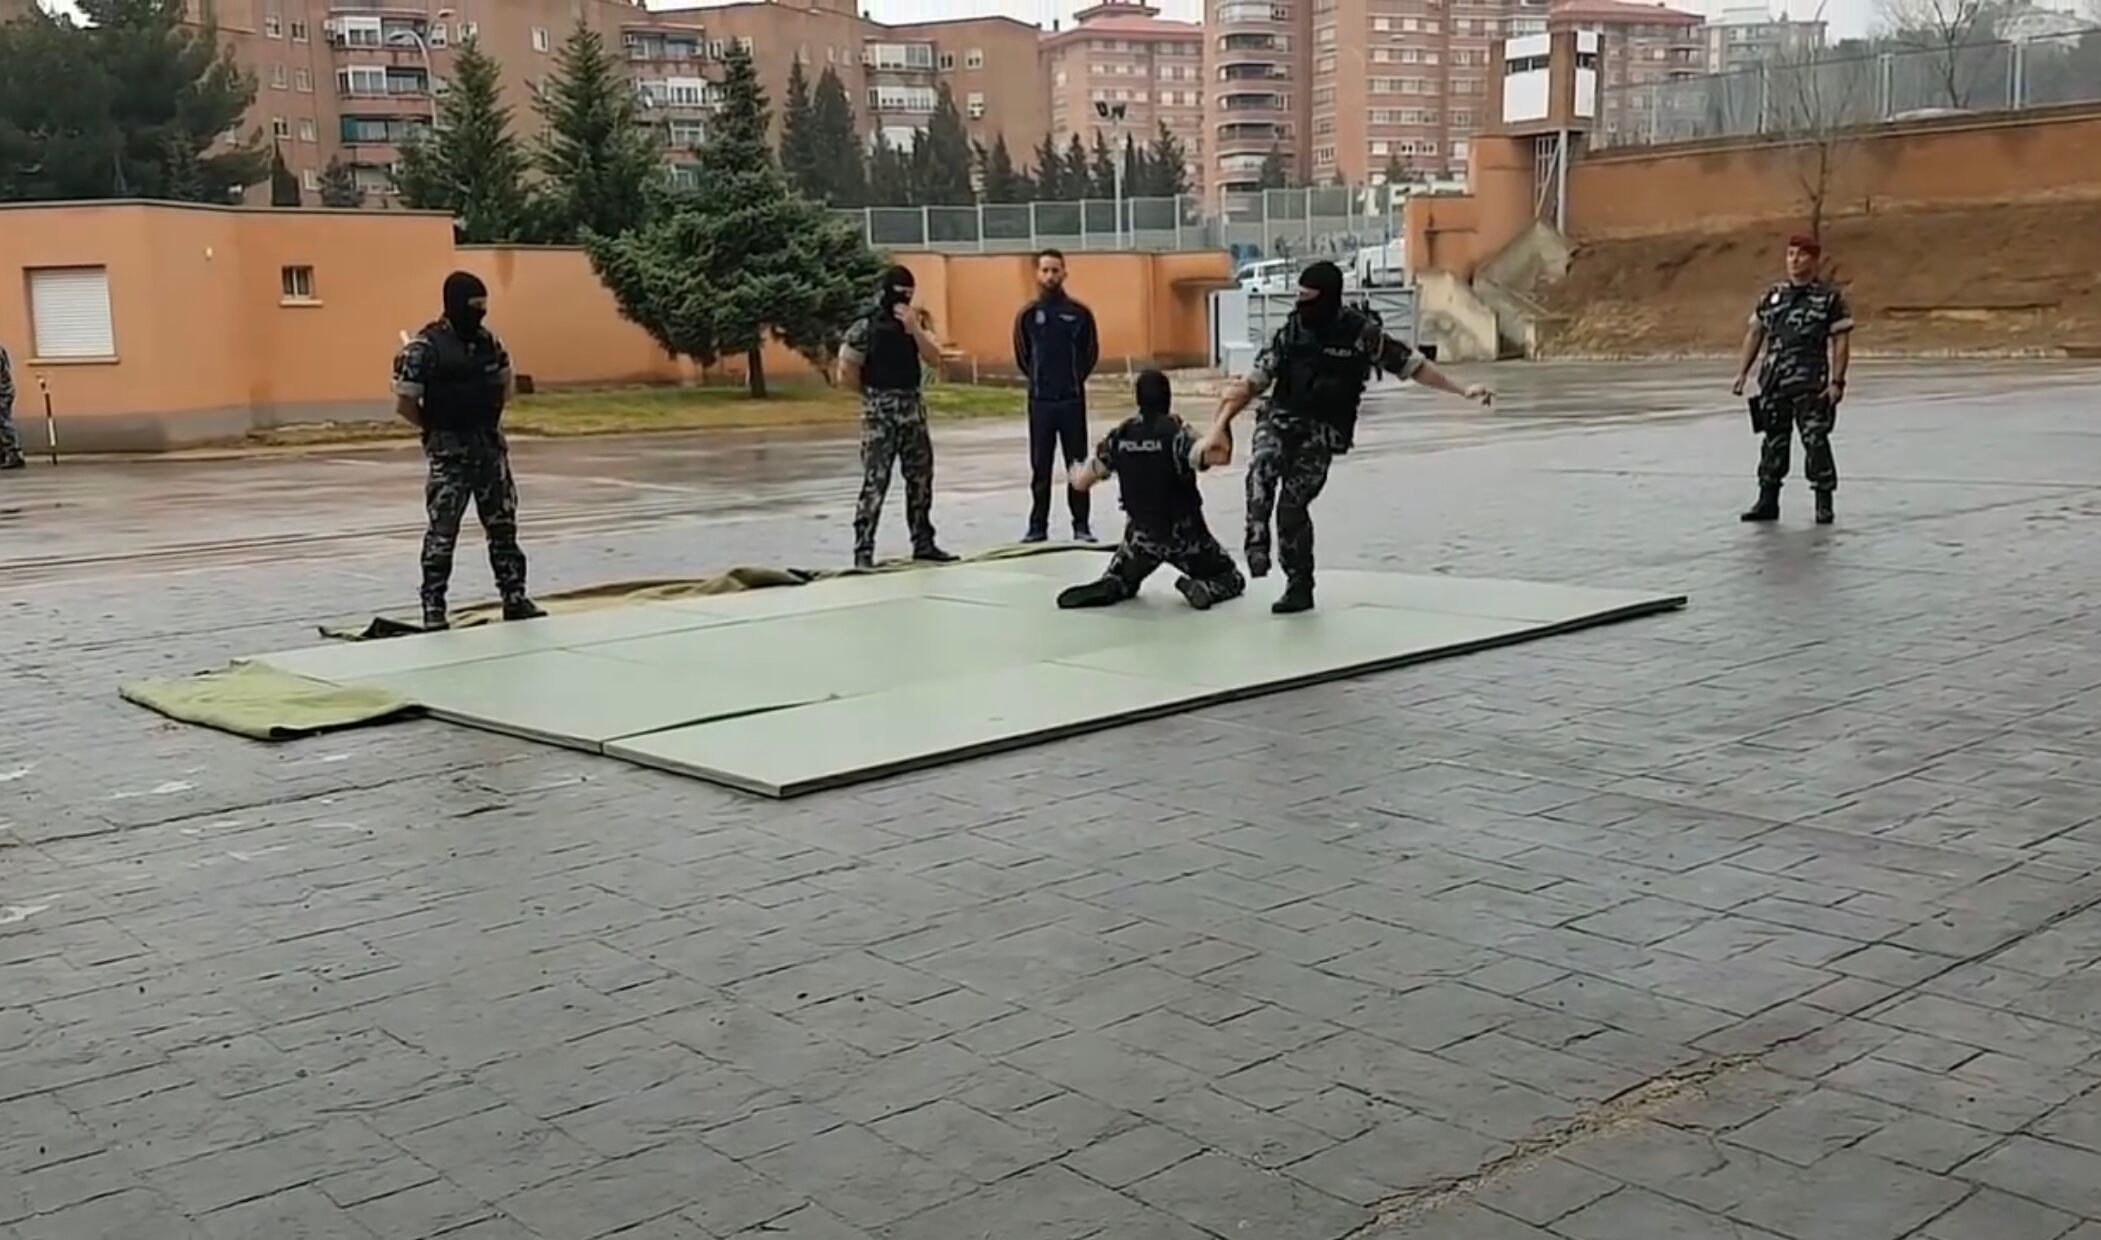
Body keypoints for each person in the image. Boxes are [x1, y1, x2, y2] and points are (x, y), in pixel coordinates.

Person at [1192, 260, 1493, 614]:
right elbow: (1252, 384)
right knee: (1262, 468)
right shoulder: (1291, 331)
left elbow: (1414, 366)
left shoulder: (1360, 334)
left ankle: (1299, 586)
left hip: (1323, 430)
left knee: (1292, 507)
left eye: (1310, 298)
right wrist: (1218, 426)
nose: (1302, 305)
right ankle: (1256, 539)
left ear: (1329, 299)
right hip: (1280, 419)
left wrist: (1462, 391)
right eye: (1299, 298)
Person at [391, 271, 543, 630]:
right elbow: (406, 404)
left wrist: (486, 417)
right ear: (455, 303)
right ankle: (434, 608)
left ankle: (514, 597)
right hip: (450, 456)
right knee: (443, 533)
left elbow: (506, 385)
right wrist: (435, 429)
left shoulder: (489, 342)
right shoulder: (424, 349)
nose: (480, 312)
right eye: (474, 305)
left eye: (483, 306)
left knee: (503, 528)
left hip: (489, 450)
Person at [1058, 370, 1244, 611]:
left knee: (1123, 576)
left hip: (1141, 538)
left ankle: (1116, 582)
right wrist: (1225, 415)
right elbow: (1220, 455)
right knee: (1230, 577)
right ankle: (1205, 588)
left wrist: (1075, 473)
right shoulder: (1178, 435)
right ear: (1168, 397)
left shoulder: (1120, 437)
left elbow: (1082, 482)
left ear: (1138, 399)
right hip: (1185, 537)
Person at [839, 266, 956, 570]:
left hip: (912, 411)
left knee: (920, 479)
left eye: (909, 292)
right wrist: (873, 399)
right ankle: (863, 549)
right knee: (875, 482)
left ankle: (923, 542)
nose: (904, 297)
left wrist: (914, 329)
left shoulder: (913, 324)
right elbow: (847, 371)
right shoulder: (864, 327)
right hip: (879, 414)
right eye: (899, 291)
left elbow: (934, 357)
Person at [1732, 233, 1853, 525]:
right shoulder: (1773, 295)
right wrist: (1742, 372)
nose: (1793, 260)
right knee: (1773, 442)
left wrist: (1837, 382)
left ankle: (1823, 502)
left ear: (1813, 259)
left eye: (1800, 255)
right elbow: (1755, 333)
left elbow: (1841, 341)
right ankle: (1767, 500)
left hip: (1811, 382)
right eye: (1789, 254)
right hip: (1774, 382)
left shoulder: (1828, 298)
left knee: (1815, 441)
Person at [1013, 248, 1101, 544]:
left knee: (1076, 465)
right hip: (1040, 402)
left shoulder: (1079, 314)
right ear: (1037, 274)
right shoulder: (1027, 315)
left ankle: (1081, 525)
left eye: (1055, 270)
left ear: (1064, 273)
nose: (1050, 275)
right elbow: (1023, 355)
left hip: (1071, 401)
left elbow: (1090, 353)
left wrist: (1073, 380)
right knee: (1041, 466)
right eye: (1045, 270)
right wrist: (1039, 381)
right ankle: (1037, 526)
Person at [0, 337, 24, 471]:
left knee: (3, 423)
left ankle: (14, 454)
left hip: (2, 392)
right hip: (5, 389)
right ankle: (4, 454)